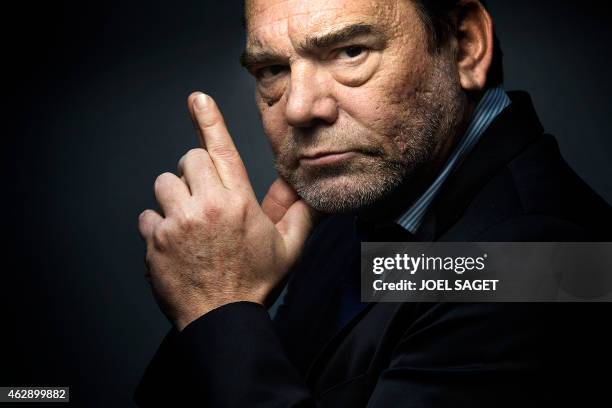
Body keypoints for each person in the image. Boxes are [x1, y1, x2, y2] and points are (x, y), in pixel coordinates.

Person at [135, 0, 612, 406]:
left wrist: (218, 307)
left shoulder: (544, 261)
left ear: (465, 46)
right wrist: (229, 299)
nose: (299, 108)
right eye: (273, 70)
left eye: (350, 51)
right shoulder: (369, 196)